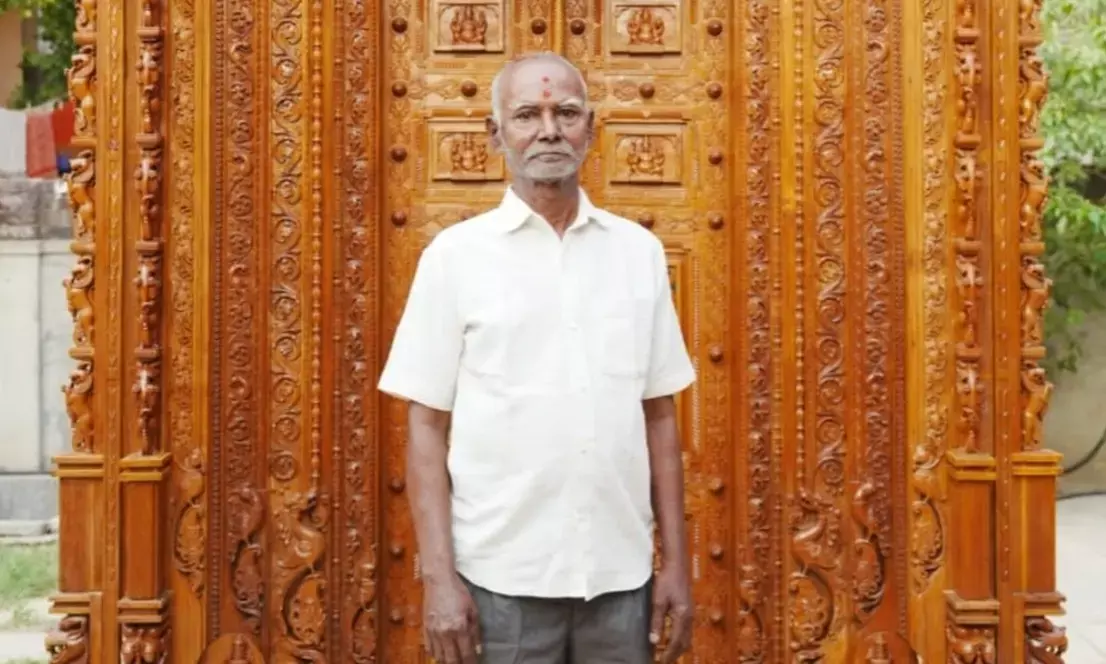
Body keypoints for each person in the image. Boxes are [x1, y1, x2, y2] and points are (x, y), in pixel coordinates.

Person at [378, 52, 696, 664]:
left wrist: (677, 566)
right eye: (527, 115)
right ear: (495, 133)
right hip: (500, 582)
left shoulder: (639, 254)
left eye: (566, 113)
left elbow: (659, 416)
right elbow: (426, 426)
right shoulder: (455, 257)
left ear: (590, 129)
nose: (549, 130)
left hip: (619, 578)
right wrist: (439, 581)